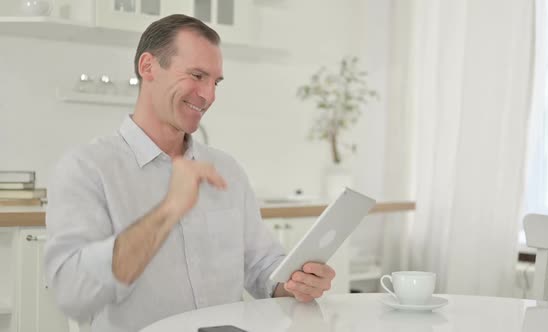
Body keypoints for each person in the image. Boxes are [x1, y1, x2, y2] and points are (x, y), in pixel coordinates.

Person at [44, 14, 335, 332]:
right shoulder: (86, 169)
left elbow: (261, 266)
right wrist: (169, 210)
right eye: (197, 75)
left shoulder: (227, 170)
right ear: (148, 67)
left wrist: (294, 283)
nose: (209, 95)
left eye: (215, 82)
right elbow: (72, 295)